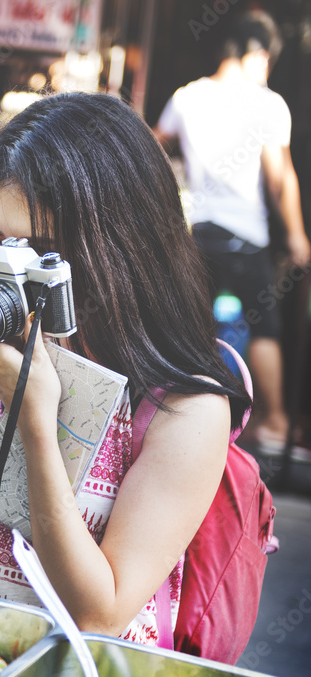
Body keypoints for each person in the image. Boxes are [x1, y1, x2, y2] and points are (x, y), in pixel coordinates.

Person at [0, 91, 250, 645]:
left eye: (41, 253)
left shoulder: (184, 410)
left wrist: (40, 429)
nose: (12, 273)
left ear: (119, 247)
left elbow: (100, 614)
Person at [154, 10, 310, 456]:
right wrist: (297, 234)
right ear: (256, 54)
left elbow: (153, 142)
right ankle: (275, 423)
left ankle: (178, 413)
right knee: (265, 328)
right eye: (267, 61)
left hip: (200, 234)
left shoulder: (188, 98)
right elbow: (280, 179)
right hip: (246, 237)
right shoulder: (267, 103)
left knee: (191, 326)